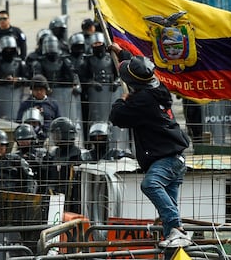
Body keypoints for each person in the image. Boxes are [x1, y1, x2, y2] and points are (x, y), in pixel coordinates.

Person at [109, 43, 192, 248]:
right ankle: (174, 241)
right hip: (175, 157)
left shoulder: (142, 101)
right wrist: (121, 52)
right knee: (168, 210)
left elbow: (117, 116)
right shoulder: (158, 87)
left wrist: (122, 99)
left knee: (150, 185)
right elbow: (138, 68)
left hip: (166, 158)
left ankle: (178, 230)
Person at [45, 117, 91, 212]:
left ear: (66, 134)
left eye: (57, 134)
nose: (54, 137)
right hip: (54, 200)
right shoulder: (52, 154)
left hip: (75, 201)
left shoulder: (79, 155)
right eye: (53, 134)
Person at [0, 35, 28, 121]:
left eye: (11, 49)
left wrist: (18, 80)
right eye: (6, 49)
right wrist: (4, 81)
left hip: (16, 96)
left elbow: (27, 79)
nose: (9, 51)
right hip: (0, 97)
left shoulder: (20, 63)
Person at [14, 123, 47, 192]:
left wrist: (36, 163)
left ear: (32, 139)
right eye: (20, 140)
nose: (23, 142)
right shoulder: (15, 157)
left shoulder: (42, 154)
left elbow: (47, 174)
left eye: (26, 139)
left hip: (40, 189)